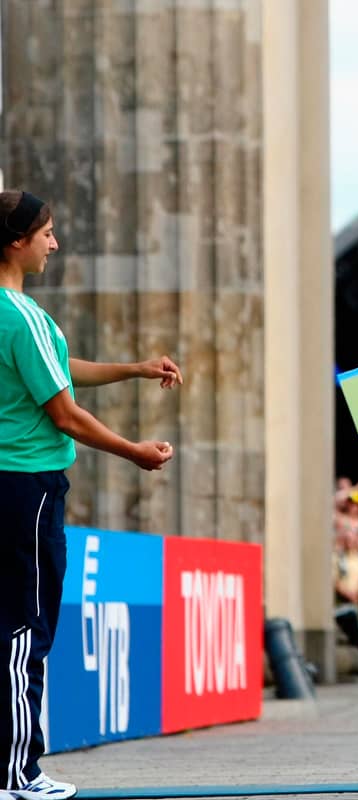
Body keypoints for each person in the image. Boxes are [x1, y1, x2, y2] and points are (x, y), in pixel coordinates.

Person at [0, 190, 179, 800]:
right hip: (28, 486)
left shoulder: (17, 315)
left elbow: (60, 365)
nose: (53, 243)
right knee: (26, 630)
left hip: (12, 486)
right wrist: (134, 450)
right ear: (16, 242)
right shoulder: (17, 315)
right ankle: (17, 773)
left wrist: (135, 368)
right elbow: (66, 414)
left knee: (12, 626)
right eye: (46, 233)